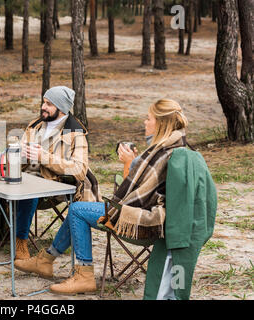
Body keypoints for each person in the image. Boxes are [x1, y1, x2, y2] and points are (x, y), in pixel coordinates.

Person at [15, 99, 190, 295]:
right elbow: (141, 192)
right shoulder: (178, 150)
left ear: (160, 124)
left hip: (146, 221)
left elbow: (129, 197)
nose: (145, 122)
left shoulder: (160, 155)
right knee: (79, 209)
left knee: (77, 209)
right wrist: (132, 164)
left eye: (148, 118)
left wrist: (130, 163)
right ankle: (46, 260)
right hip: (163, 218)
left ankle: (82, 274)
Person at [0, 86, 101, 264]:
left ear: (61, 108)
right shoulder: (35, 125)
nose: (43, 107)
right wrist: (14, 154)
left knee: (31, 186)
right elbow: (20, 152)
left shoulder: (75, 133)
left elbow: (79, 169)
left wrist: (43, 157)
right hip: (20, 175)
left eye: (48, 104)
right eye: (43, 102)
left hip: (51, 186)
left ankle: (20, 241)